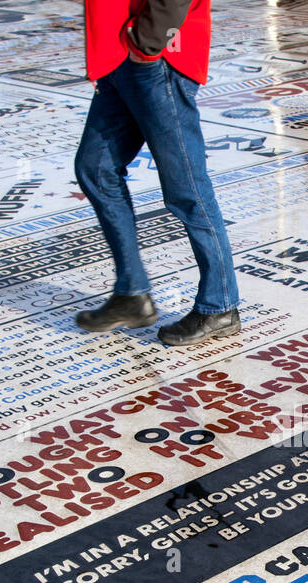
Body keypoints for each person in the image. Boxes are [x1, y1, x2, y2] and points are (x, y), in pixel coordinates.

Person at [73, 0, 240, 346]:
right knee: (95, 169)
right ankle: (132, 294)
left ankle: (219, 304)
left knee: (187, 188)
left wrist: (147, 40)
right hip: (119, 56)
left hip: (156, 57)